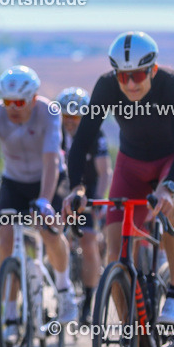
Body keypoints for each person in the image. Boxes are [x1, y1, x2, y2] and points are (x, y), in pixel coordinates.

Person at [64, 31, 174, 347]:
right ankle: (132, 341)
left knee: (172, 209)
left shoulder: (172, 84)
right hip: (131, 162)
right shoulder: (106, 86)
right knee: (115, 253)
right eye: (123, 76)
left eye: (138, 75)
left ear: (152, 70)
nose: (130, 83)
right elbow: (81, 141)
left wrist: (170, 188)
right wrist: (77, 187)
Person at [0, 66, 78, 345]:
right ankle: (9, 313)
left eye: (19, 102)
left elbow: (51, 159)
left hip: (50, 177)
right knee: (4, 239)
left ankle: (65, 290)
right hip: (14, 181)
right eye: (7, 102)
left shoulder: (50, 112)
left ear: (34, 98)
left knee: (49, 229)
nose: (13, 108)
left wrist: (44, 200)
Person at [56, 86, 111, 323]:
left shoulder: (95, 135)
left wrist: (98, 202)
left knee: (88, 241)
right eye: (66, 116)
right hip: (60, 191)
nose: (70, 121)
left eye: (75, 116)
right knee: (55, 235)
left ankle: (89, 301)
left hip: (85, 194)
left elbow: (104, 172)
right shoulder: (53, 133)